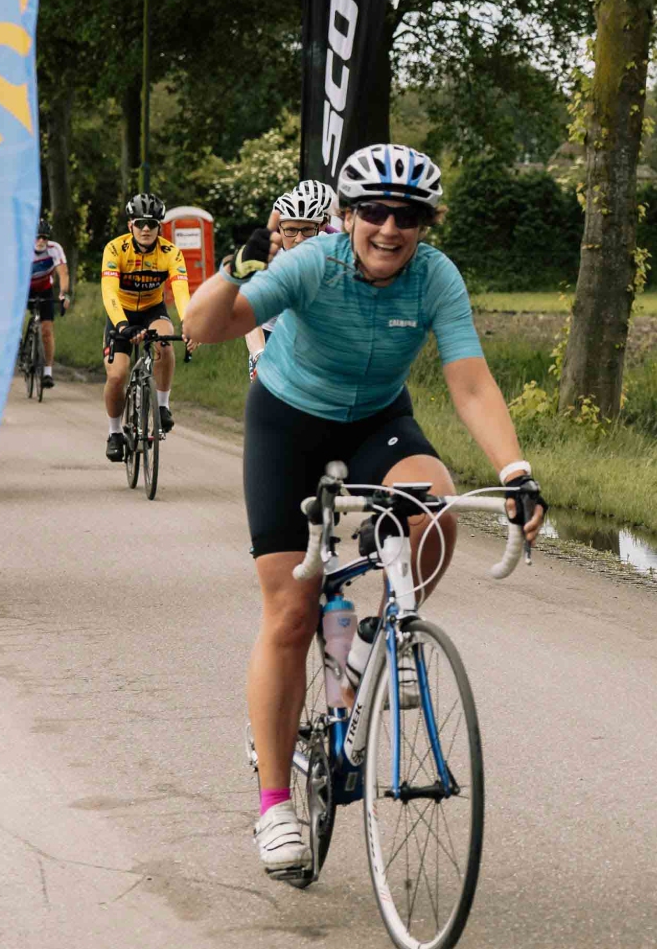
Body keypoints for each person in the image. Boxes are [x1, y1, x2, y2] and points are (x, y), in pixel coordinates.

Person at [184, 142, 546, 881]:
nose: (389, 228)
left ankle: (386, 637)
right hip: (287, 423)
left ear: (425, 223)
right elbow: (202, 328)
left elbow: (470, 383)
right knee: (290, 612)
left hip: (377, 419)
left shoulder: (435, 276)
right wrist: (234, 270)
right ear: (348, 217)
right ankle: (275, 803)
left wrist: (515, 471)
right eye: (374, 212)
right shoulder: (314, 263)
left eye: (407, 215)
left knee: (435, 512)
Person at [100, 192, 192, 461]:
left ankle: (162, 406)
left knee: (165, 341)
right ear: (131, 225)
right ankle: (115, 432)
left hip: (153, 309)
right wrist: (122, 325)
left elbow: (181, 291)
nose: (146, 229)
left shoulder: (170, 253)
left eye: (152, 224)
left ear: (159, 227)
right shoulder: (115, 249)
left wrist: (188, 323)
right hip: (121, 313)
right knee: (117, 376)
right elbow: (109, 292)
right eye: (140, 223)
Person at [246, 179, 336, 383]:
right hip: (270, 337)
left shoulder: (330, 252)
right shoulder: (267, 259)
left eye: (307, 230)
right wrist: (260, 355)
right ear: (280, 228)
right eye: (291, 230)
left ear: (320, 228)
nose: (299, 239)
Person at [25, 219, 69, 390]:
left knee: (47, 330)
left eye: (44, 237)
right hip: (25, 288)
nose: (41, 240)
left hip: (45, 288)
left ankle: (48, 372)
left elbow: (63, 272)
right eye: (38, 237)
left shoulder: (54, 249)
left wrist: (64, 293)